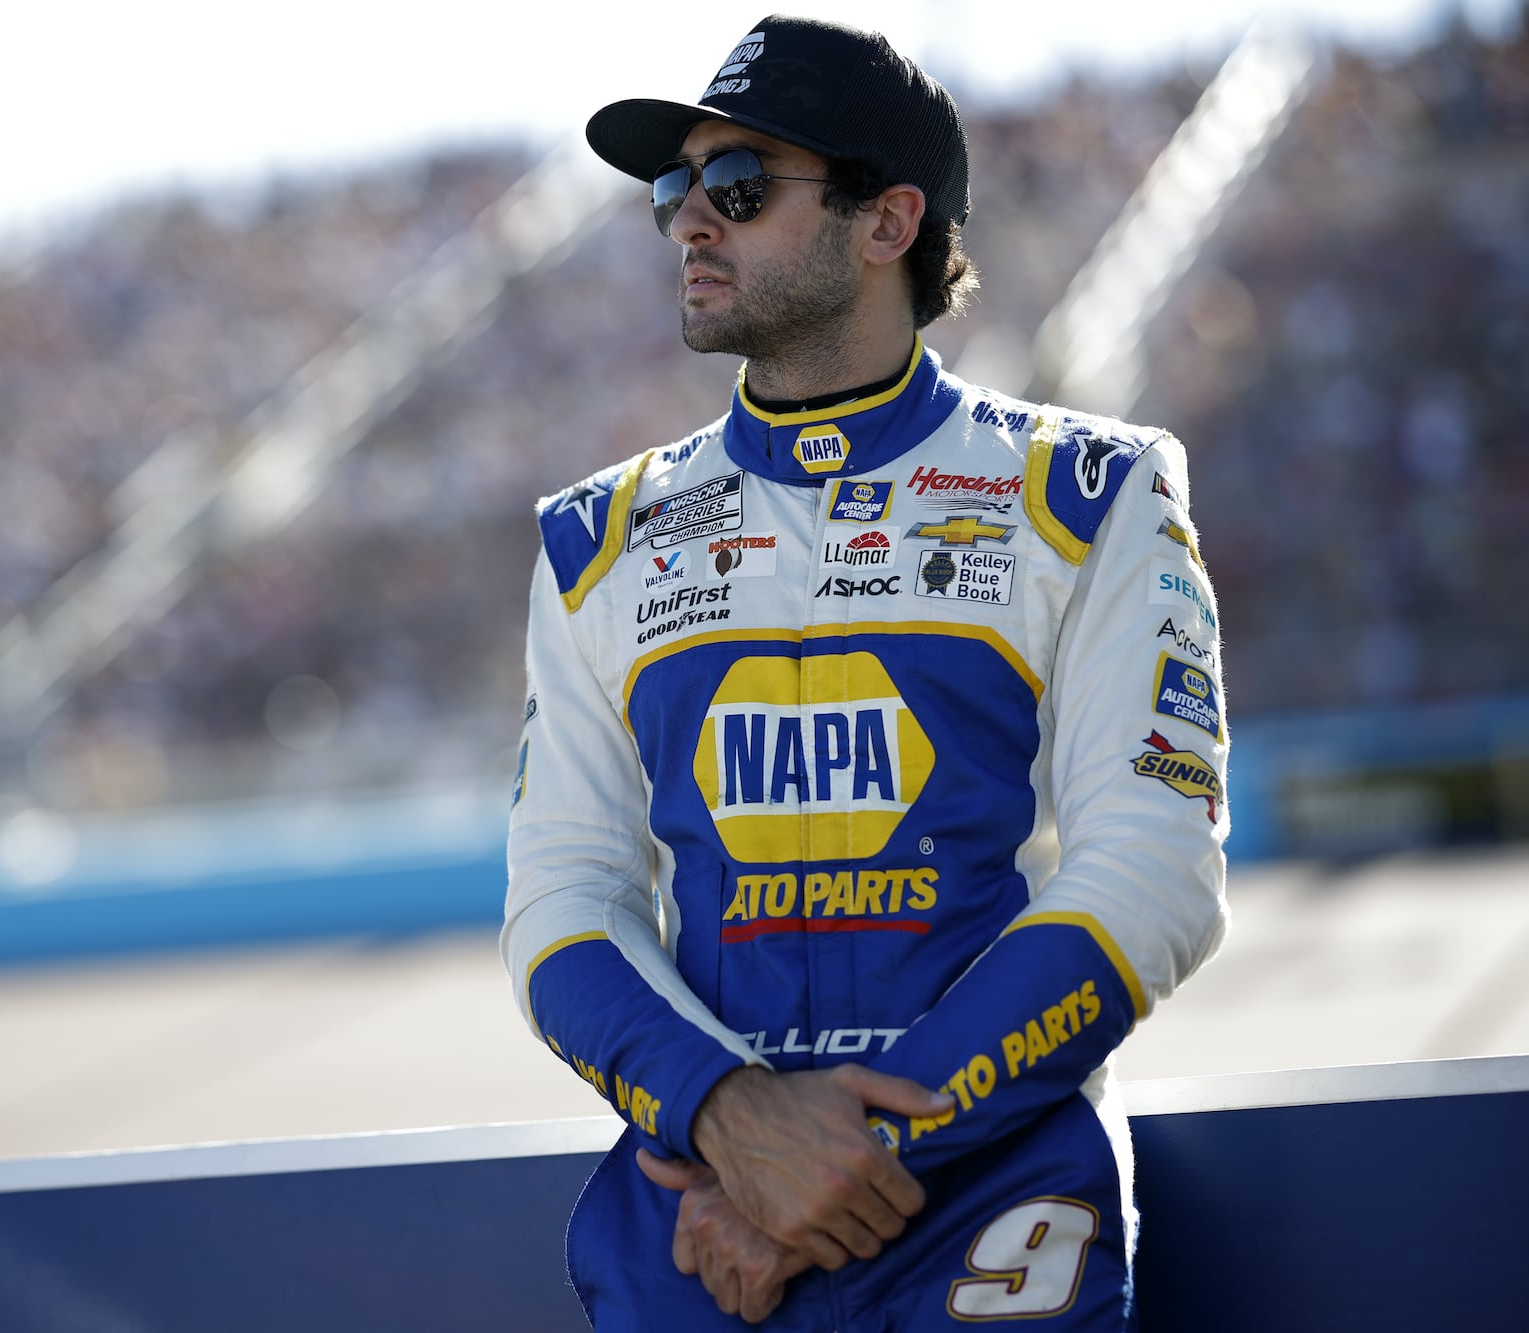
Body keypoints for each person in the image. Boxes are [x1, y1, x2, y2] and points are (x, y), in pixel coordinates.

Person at [501, 15, 1229, 1331]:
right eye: (677, 191)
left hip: (989, 1201)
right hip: (695, 1212)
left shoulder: (1085, 493)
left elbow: (1152, 871)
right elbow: (561, 905)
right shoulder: (595, 542)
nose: (686, 225)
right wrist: (732, 1121)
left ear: (888, 221)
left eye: (737, 188)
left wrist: (851, 1157)